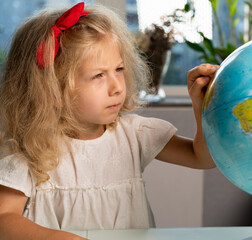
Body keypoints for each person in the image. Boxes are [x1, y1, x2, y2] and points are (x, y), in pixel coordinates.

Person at [0, 2, 218, 239]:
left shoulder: (134, 135)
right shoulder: (34, 149)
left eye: (119, 69)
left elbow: (203, 158)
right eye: (98, 75)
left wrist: (201, 105)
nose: (117, 87)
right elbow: (4, 218)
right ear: (51, 90)